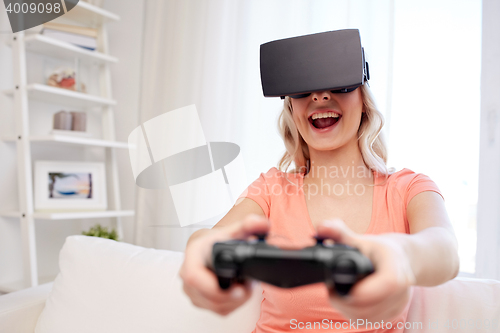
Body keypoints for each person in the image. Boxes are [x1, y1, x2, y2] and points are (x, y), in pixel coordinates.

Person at [179, 30, 459, 333]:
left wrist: (404, 257)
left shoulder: (408, 188)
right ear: (290, 108)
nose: (320, 96)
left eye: (338, 84)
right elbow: (209, 240)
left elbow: (445, 250)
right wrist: (201, 253)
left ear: (363, 99)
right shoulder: (272, 189)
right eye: (303, 90)